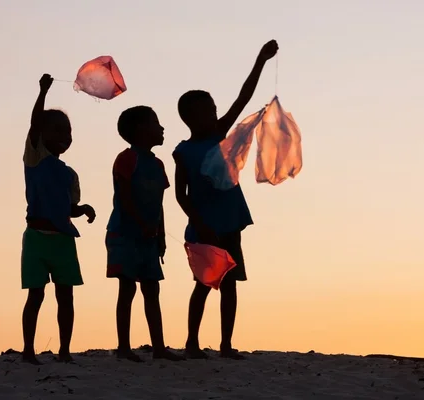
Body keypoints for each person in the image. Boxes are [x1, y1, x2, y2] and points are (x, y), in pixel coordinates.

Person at [173, 40, 279, 360]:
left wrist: (261, 60)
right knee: (204, 284)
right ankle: (192, 342)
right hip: (205, 228)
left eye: (216, 110)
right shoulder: (183, 152)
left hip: (229, 222)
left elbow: (243, 96)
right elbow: (181, 194)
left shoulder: (220, 135)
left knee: (230, 283)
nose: (216, 114)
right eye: (209, 111)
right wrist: (199, 222)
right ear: (192, 117)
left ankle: (226, 344)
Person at [21, 74, 96, 365]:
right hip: (37, 239)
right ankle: (29, 349)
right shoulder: (35, 157)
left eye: (68, 132)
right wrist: (43, 92)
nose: (65, 136)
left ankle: (64, 350)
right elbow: (34, 124)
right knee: (35, 296)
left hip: (64, 240)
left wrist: (83, 209)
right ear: (42, 134)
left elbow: (69, 208)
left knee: (66, 297)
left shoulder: (69, 175)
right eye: (57, 130)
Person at [106, 106, 184, 362]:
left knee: (152, 290)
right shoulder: (126, 159)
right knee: (127, 288)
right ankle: (123, 348)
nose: (161, 128)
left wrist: (160, 235)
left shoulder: (158, 164)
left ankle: (159, 347)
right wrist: (141, 224)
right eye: (156, 123)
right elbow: (124, 197)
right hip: (124, 234)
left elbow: (159, 203)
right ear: (140, 129)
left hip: (149, 238)